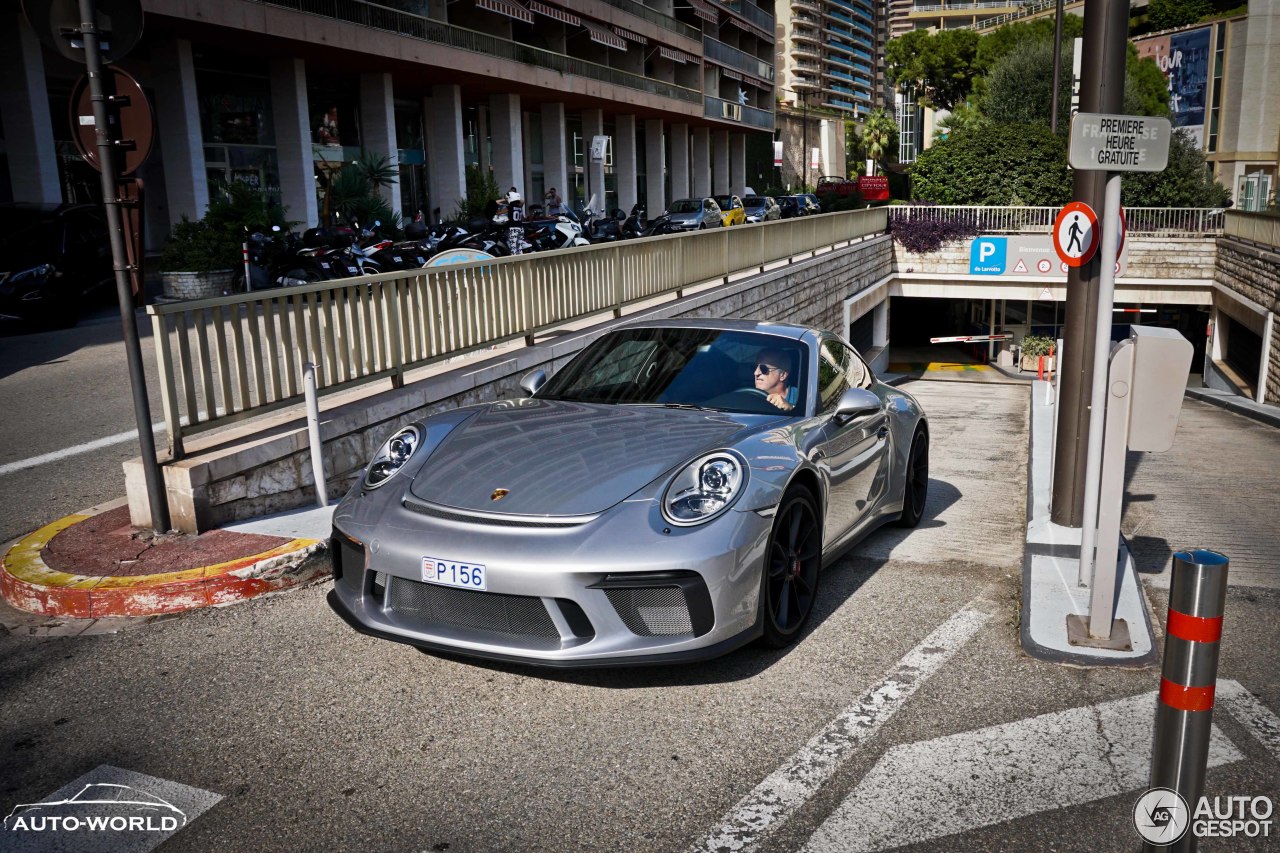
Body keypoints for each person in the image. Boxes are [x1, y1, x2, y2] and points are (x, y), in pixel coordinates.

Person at [505, 187, 526, 255]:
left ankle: (514, 263)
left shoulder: (509, 207)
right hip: (520, 228)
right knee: (519, 248)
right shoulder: (519, 207)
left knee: (513, 248)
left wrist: (506, 198)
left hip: (513, 228)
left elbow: (496, 204)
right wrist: (515, 196)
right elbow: (522, 201)